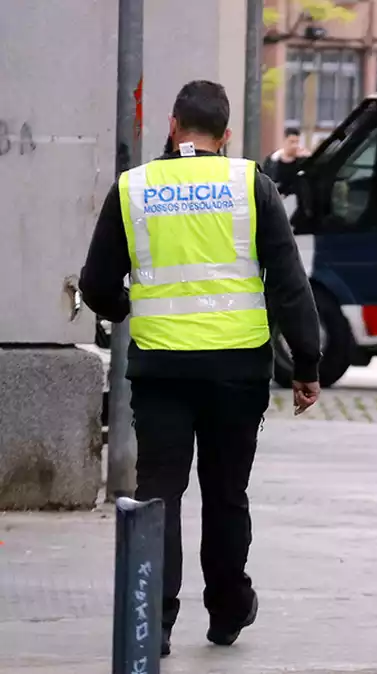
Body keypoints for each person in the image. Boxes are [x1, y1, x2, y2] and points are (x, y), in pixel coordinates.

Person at [80, 80, 323, 656]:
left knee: (158, 491)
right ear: (226, 133)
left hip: (161, 369)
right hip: (237, 371)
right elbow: (289, 284)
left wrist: (124, 307)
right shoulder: (251, 185)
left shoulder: (133, 188)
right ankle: (228, 610)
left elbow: (95, 284)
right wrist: (306, 364)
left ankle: (154, 622)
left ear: (172, 124)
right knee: (225, 492)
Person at [261, 126, 310, 195]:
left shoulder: (302, 162)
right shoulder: (272, 161)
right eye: (291, 142)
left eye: (297, 142)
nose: (294, 146)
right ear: (284, 141)